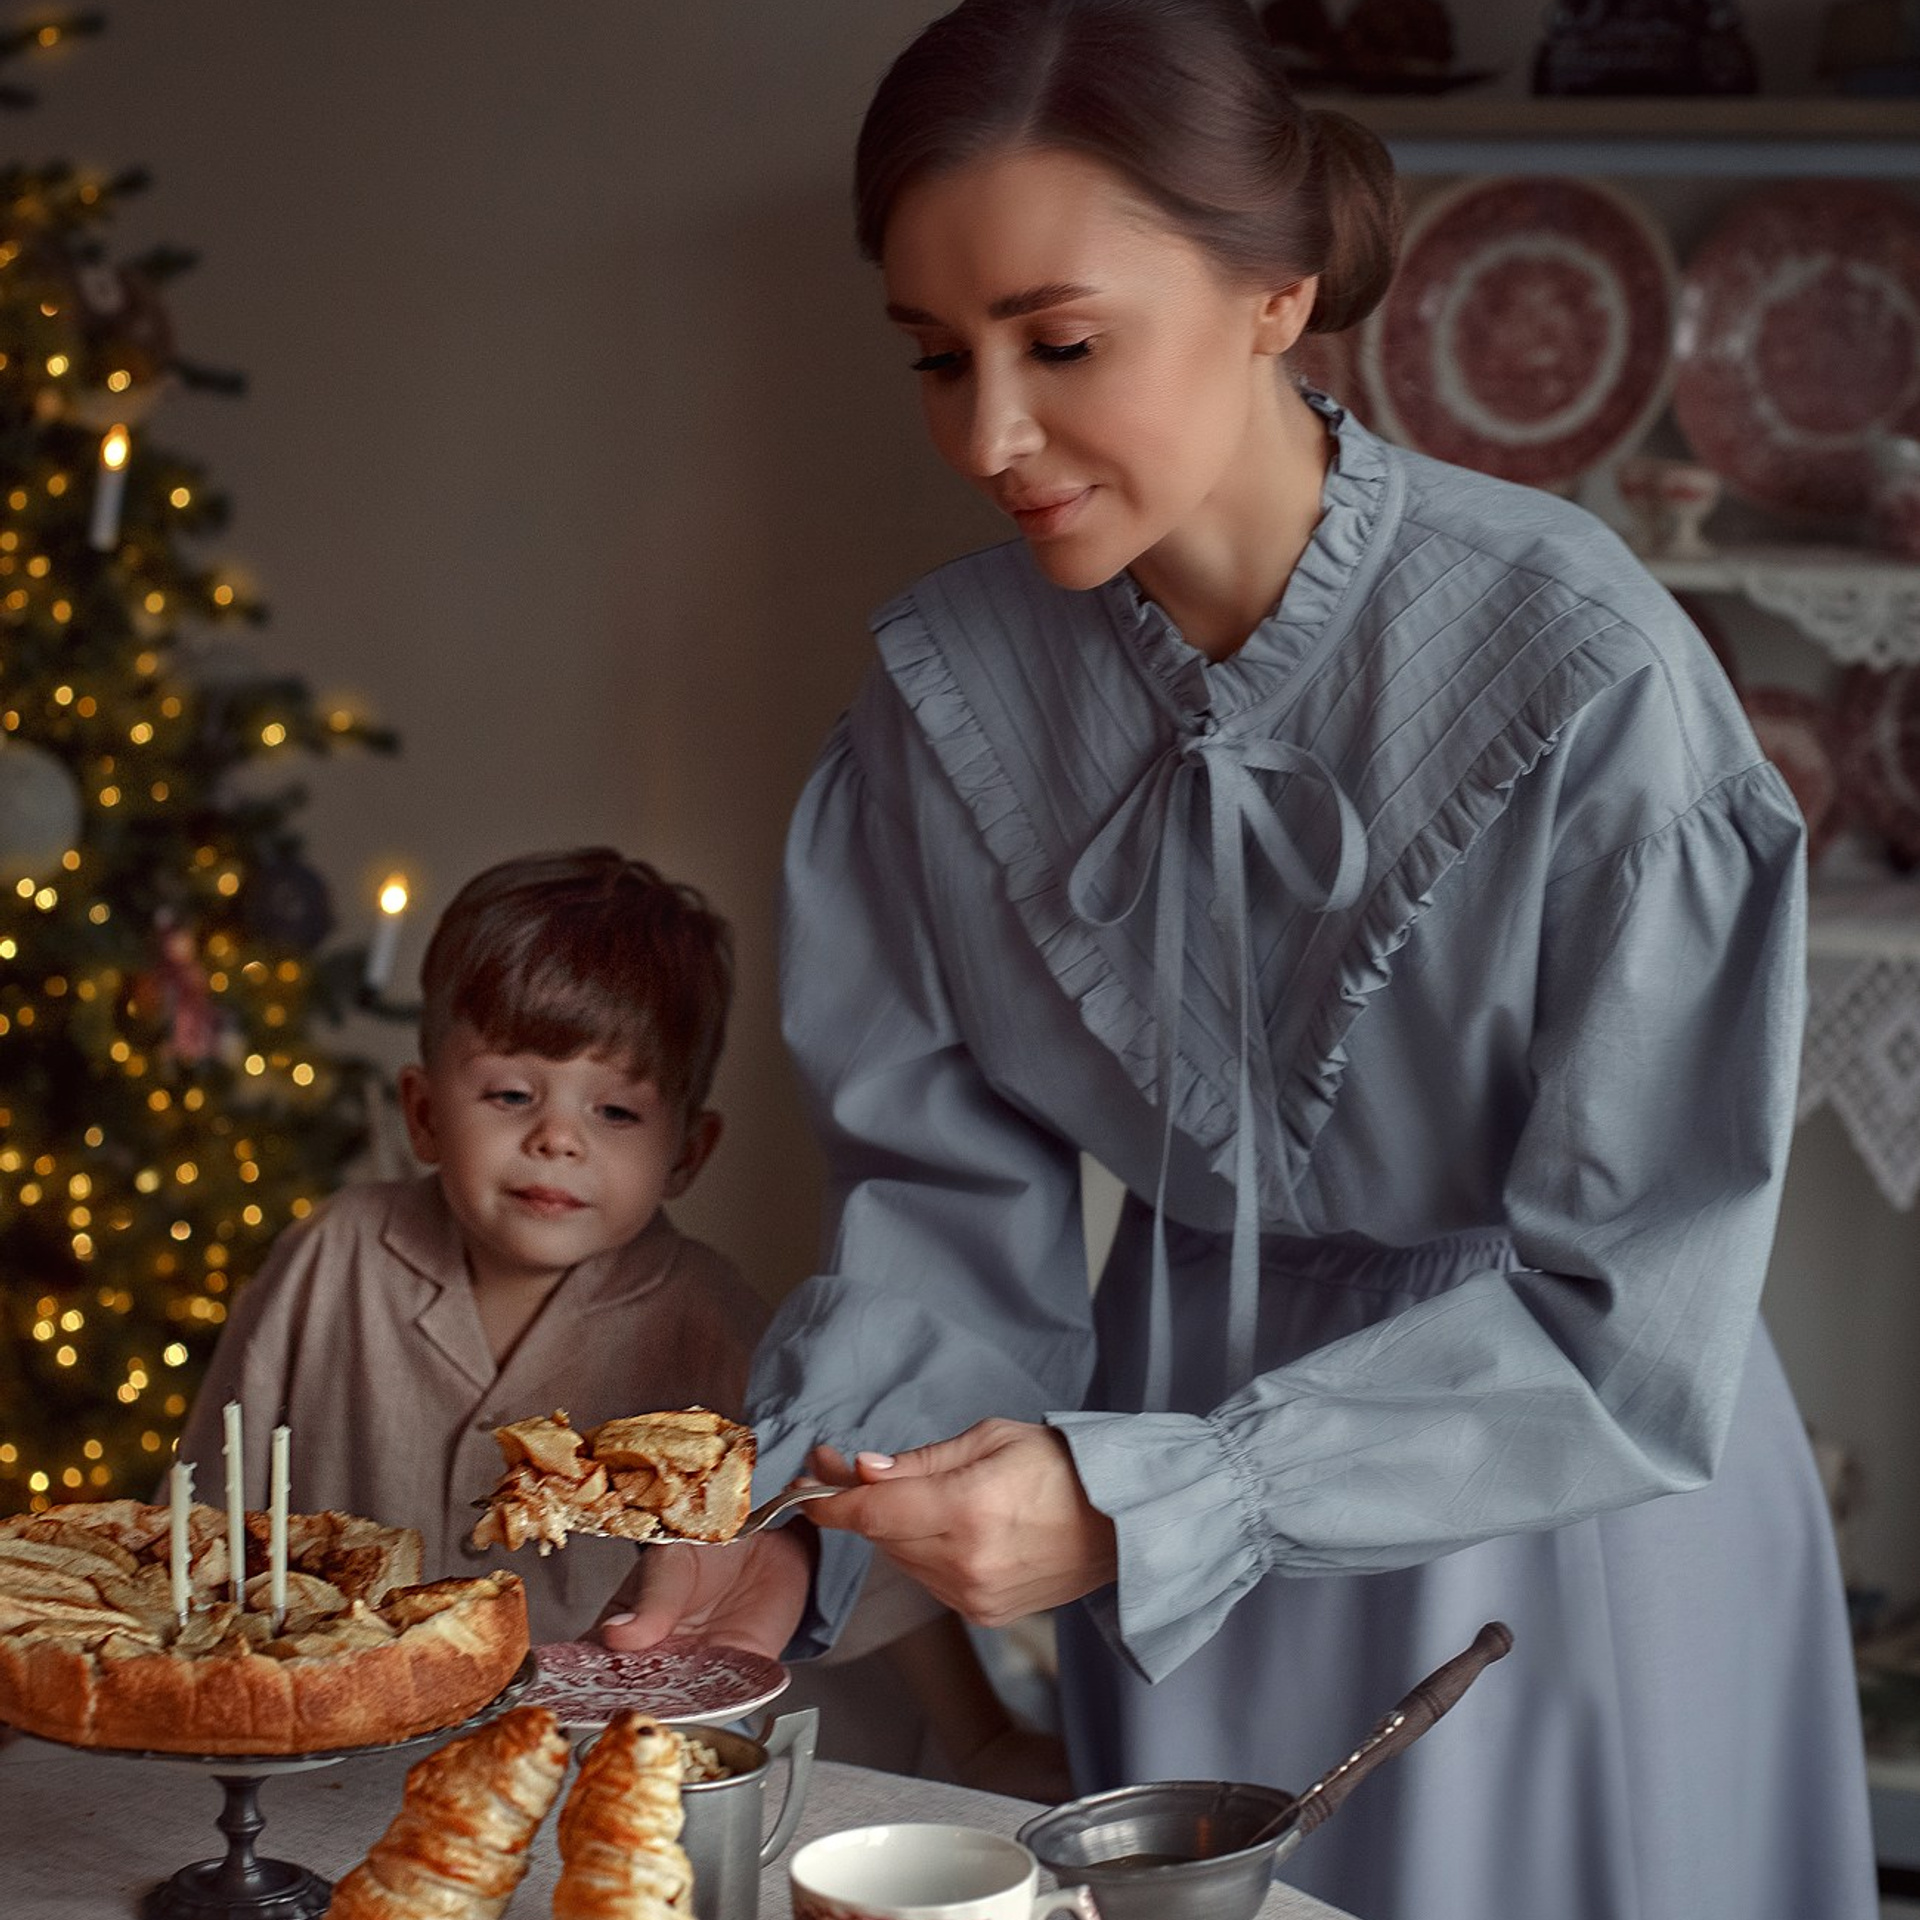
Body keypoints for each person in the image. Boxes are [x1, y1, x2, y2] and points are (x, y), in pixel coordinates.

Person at [603, 5, 1880, 1918]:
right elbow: (948, 1221)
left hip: (1558, 1524)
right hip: (1158, 1494)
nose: (989, 435)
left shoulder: (1588, 670)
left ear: (1276, 294)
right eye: (940, 360)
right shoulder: (939, 703)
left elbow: (1631, 1332)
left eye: (1063, 343)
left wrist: (1149, 1502)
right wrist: (801, 1539)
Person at [177, 847, 1064, 1795]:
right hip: (332, 1750)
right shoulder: (334, 1254)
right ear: (425, 1111)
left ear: (688, 1151)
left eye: (616, 1111)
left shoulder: (716, 1321)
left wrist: (977, 1740)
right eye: (512, 1094)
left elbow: (847, 1542)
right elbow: (204, 1505)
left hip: (593, 1778)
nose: (558, 1137)